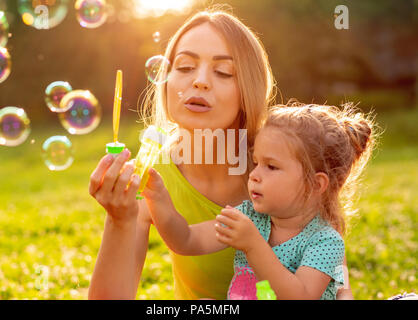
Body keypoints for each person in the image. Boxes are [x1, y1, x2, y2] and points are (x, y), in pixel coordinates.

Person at [88, 8, 354, 300]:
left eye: (224, 72)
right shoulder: (152, 174)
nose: (200, 81)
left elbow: (340, 290)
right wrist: (119, 220)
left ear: (248, 90)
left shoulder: (285, 165)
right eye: (185, 67)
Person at [143, 102, 376, 299]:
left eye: (271, 166)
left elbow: (300, 295)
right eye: (256, 163)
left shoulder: (325, 241)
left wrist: (254, 245)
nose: (254, 174)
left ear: (316, 184)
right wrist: (159, 201)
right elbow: (186, 240)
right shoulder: (249, 216)